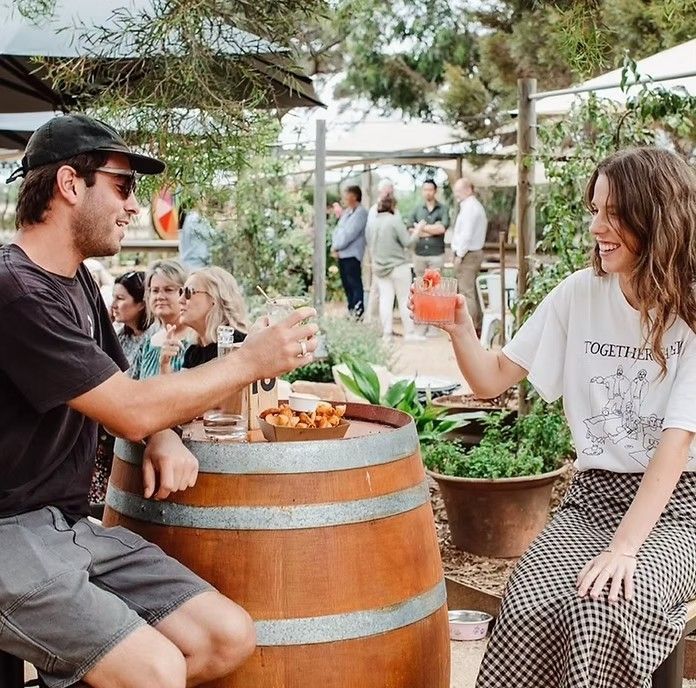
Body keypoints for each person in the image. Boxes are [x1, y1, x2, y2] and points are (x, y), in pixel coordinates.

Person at [0, 113, 319, 688]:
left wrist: (162, 433)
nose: (132, 206)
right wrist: (249, 361)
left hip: (65, 527)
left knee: (226, 637)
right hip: (8, 530)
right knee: (157, 670)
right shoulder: (13, 288)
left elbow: (128, 392)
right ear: (71, 185)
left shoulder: (78, 283)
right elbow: (130, 408)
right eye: (122, 187)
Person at [413, 147, 696, 687]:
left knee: (603, 606)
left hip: (682, 506)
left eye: (612, 213)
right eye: (594, 210)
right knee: (526, 606)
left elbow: (676, 443)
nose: (596, 227)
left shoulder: (691, 311)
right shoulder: (578, 294)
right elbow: (492, 378)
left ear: (655, 215)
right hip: (593, 496)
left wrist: (624, 549)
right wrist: (459, 329)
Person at [89, 269, 150, 505]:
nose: (113, 304)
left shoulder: (152, 339)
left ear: (141, 304)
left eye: (121, 298)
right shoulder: (118, 336)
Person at [366, 194, 420, 341]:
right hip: (398, 267)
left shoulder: (373, 223)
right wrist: (417, 231)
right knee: (404, 299)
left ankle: (387, 334)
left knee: (385, 300)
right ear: (392, 206)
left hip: (380, 268)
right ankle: (410, 333)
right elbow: (408, 243)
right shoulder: (395, 221)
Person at [177, 266, 249, 369]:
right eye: (181, 292)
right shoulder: (193, 353)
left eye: (188, 292)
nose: (180, 300)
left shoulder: (238, 345)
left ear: (214, 298)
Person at [131, 259, 191, 378]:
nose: (159, 296)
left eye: (168, 290)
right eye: (155, 290)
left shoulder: (197, 341)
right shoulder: (148, 343)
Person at [409, 178, 450, 336]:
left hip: (436, 254)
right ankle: (421, 324)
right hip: (419, 254)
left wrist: (421, 228)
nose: (428, 192)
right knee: (420, 290)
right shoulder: (416, 209)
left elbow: (442, 228)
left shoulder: (443, 208)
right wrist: (432, 228)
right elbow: (410, 229)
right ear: (422, 191)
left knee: (435, 289)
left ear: (435, 191)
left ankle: (434, 326)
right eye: (425, 189)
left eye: (430, 189)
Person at [450, 177, 487, 333]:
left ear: (468, 190)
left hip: (468, 254)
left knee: (467, 293)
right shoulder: (469, 206)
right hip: (470, 253)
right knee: (470, 290)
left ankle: (469, 329)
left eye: (458, 191)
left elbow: (466, 234)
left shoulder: (471, 208)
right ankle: (476, 326)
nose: (456, 194)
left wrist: (459, 254)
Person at [330, 184, 367, 318]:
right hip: (343, 254)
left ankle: (358, 313)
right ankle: (351, 310)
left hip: (352, 255)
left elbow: (349, 234)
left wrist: (336, 246)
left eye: (347, 195)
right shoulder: (347, 213)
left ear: (354, 196)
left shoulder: (361, 213)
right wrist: (335, 246)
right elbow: (338, 230)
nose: (344, 198)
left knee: (354, 284)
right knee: (347, 285)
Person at [364, 178, 398, 323]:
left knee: (386, 290)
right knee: (376, 288)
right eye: (387, 190)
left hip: (391, 256)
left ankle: (384, 323)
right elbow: (370, 234)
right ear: (380, 191)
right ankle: (371, 320)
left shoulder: (395, 210)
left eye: (391, 190)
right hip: (378, 254)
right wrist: (373, 255)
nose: (390, 193)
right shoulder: (374, 210)